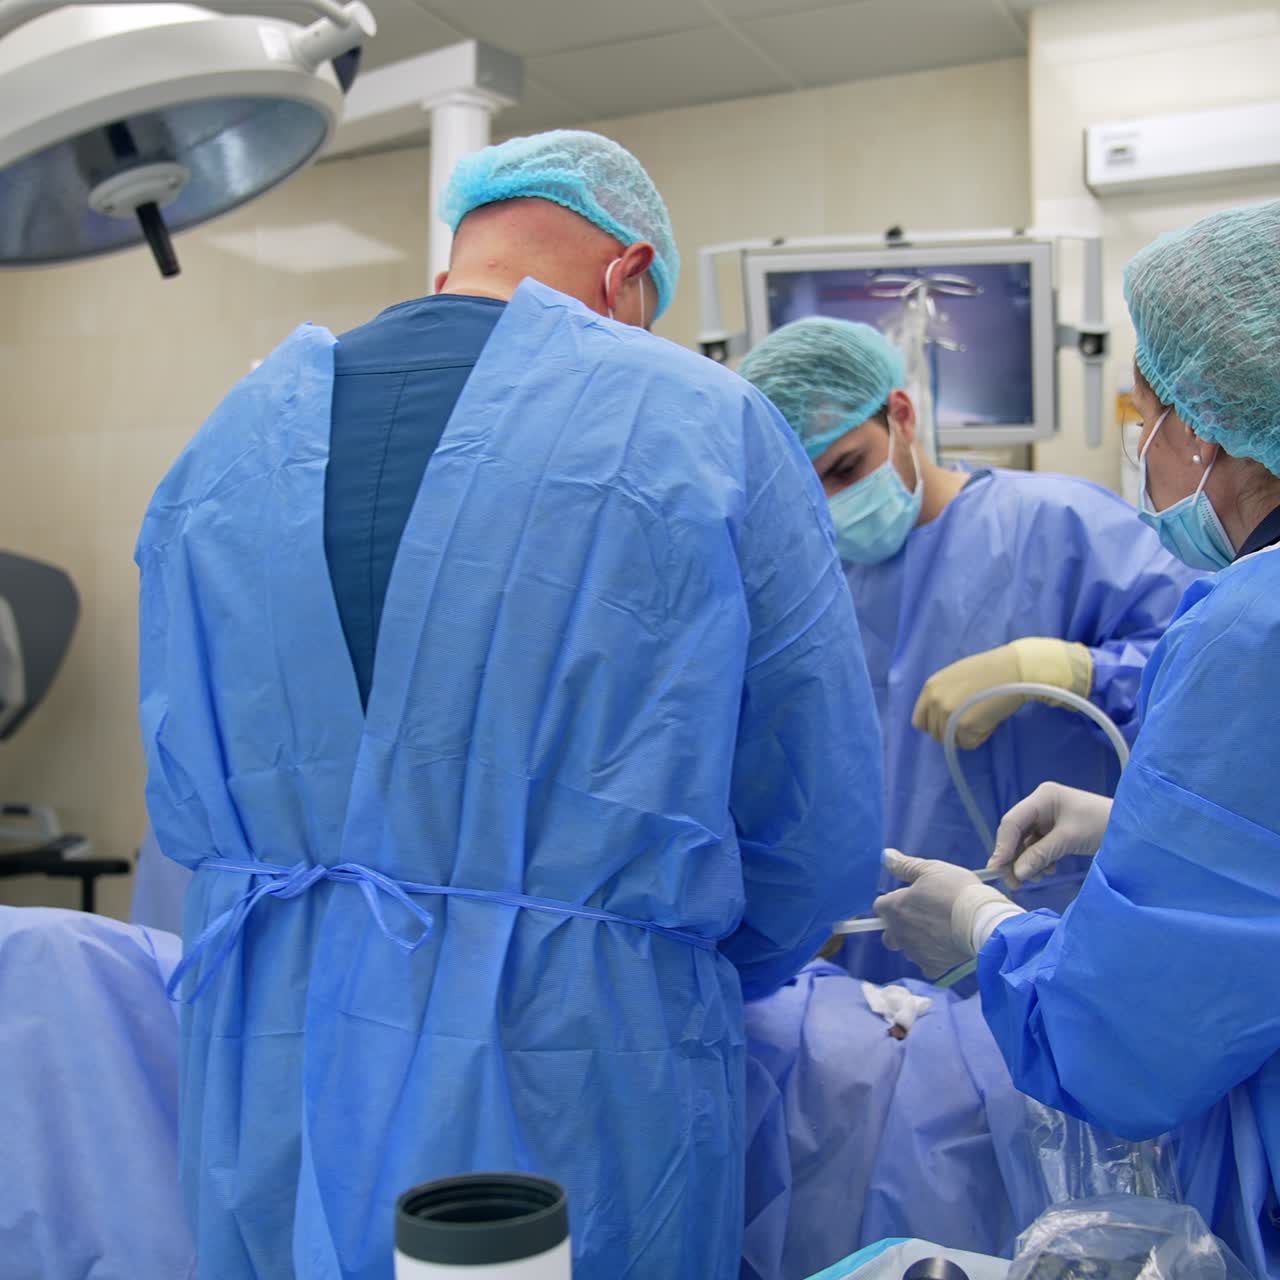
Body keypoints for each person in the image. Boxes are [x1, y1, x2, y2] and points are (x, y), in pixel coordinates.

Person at [136, 130, 883, 1280]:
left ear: (454, 258)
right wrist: (649, 949)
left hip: (268, 1055)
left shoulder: (223, 440)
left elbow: (177, 813)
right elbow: (811, 828)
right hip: (572, 1059)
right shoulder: (704, 422)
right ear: (628, 275)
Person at [873, 199, 1280, 1278]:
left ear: (1211, 425)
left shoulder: (1253, 624)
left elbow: (1115, 1045)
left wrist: (982, 929)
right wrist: (1140, 828)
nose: (1139, 442)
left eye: (1148, 413)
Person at [738, 318, 1198, 977]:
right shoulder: (808, 584)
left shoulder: (1058, 526)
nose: (834, 503)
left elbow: (1212, 678)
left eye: (846, 468)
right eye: (806, 490)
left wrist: (1072, 670)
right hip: (887, 957)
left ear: (901, 415)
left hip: (1055, 941)